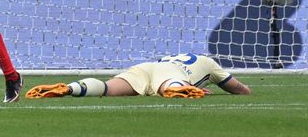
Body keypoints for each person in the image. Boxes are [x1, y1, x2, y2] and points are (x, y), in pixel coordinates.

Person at [25, 53, 251, 99]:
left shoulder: (169, 56)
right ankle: (177, 88)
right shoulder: (209, 63)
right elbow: (239, 89)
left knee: (106, 88)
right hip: (171, 74)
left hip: (146, 67)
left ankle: (71, 88)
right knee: (170, 85)